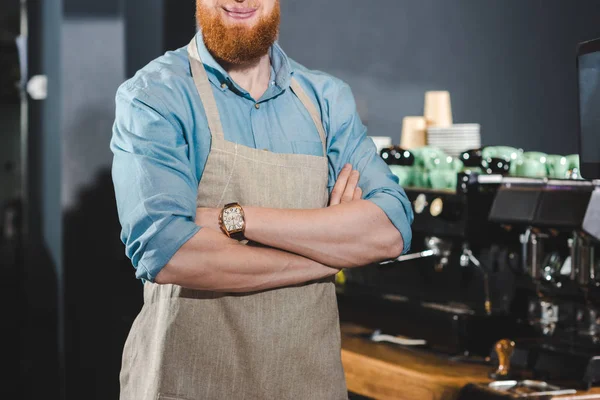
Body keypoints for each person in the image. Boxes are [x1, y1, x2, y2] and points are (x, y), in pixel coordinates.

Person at [111, 0, 414, 398]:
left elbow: (390, 232)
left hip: (309, 386)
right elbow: (170, 253)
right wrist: (329, 256)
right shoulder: (154, 97)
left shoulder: (327, 100)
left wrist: (235, 219)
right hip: (187, 384)